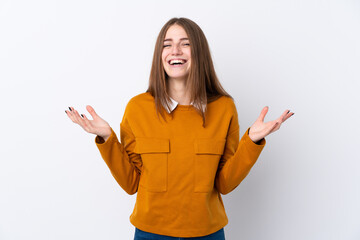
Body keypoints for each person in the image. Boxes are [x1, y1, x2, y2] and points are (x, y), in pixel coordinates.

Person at [65, 17, 294, 240]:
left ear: (199, 53)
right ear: (160, 56)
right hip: (150, 234)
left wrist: (251, 142)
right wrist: (106, 138)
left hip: (208, 233)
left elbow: (224, 184)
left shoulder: (224, 108)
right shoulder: (137, 108)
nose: (175, 51)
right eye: (167, 45)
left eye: (185, 44)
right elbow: (131, 183)